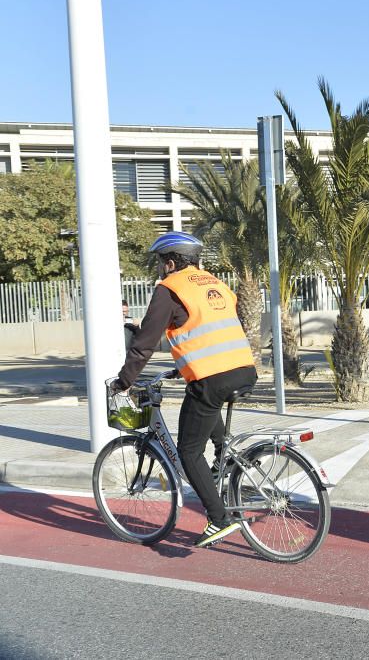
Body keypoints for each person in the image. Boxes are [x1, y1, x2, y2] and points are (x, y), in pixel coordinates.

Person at [112, 231, 257, 548]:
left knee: (189, 452)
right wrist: (184, 365)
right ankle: (226, 457)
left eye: (161, 262)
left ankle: (219, 519)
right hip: (244, 370)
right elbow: (214, 332)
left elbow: (143, 345)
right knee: (205, 404)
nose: (160, 268)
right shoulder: (215, 284)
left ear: (172, 262)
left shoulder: (170, 290)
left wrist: (123, 382)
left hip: (212, 378)